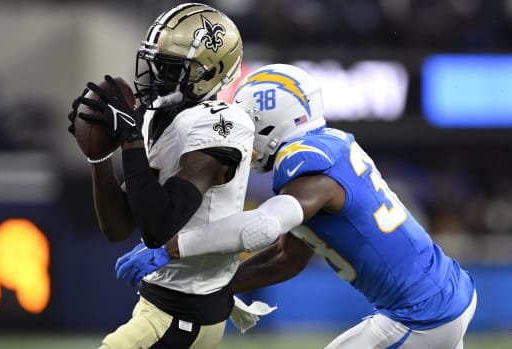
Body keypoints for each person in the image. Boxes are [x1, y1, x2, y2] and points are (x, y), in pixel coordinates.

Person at [115, 63, 478, 348]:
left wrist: (172, 248)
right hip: (449, 294)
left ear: (266, 122)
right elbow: (287, 256)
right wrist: (224, 286)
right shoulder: (328, 147)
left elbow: (264, 226)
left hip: (419, 316)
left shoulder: (305, 164)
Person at [67, 3, 254, 348]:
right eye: (155, 65)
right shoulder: (158, 117)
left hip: (186, 312)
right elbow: (118, 226)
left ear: (211, 73)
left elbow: (158, 227)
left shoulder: (221, 124)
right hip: (160, 303)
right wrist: (101, 155)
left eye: (170, 70)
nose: (156, 77)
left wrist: (130, 139)